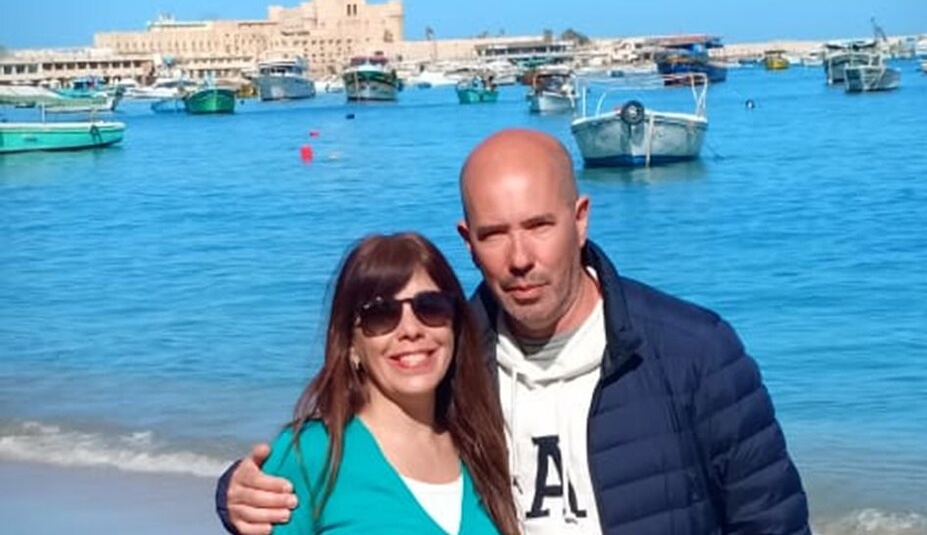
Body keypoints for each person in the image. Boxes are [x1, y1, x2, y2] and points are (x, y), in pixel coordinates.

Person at [217, 129, 810, 534]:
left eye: (539, 225)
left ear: (580, 220)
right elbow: (369, 460)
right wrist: (237, 494)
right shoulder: (451, 353)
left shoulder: (693, 353)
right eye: (495, 233)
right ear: (467, 240)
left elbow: (773, 523)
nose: (520, 257)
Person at [240, 232, 519, 535]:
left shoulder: (481, 446)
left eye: (431, 307)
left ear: (454, 324)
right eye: (381, 314)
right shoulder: (312, 455)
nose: (410, 330)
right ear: (351, 344)